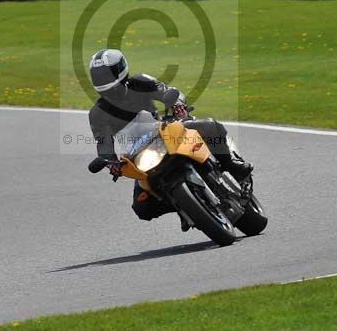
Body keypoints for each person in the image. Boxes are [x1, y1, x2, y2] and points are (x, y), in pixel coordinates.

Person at [87, 48, 253, 223]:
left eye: (105, 75)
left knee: (211, 127)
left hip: (166, 131)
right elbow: (103, 144)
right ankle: (183, 204)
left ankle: (232, 165)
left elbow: (169, 92)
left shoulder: (141, 82)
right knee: (142, 208)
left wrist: (177, 103)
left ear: (120, 70)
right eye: (98, 77)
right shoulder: (98, 113)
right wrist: (110, 163)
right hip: (139, 154)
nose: (103, 81)